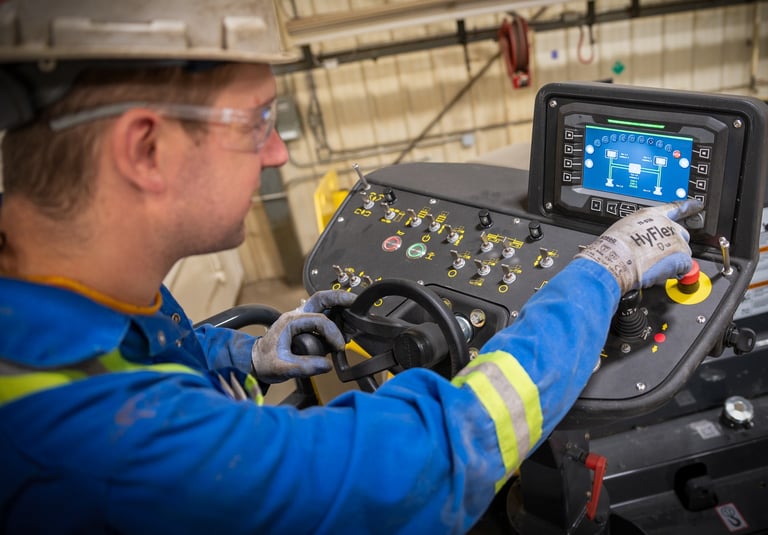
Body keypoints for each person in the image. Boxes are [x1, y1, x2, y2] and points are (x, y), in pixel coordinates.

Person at [0, 2, 702, 533]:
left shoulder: (67, 294)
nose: (277, 153)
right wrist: (599, 273)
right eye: (257, 121)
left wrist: (244, 354)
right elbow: (435, 456)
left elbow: (146, 350)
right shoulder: (108, 450)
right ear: (146, 150)